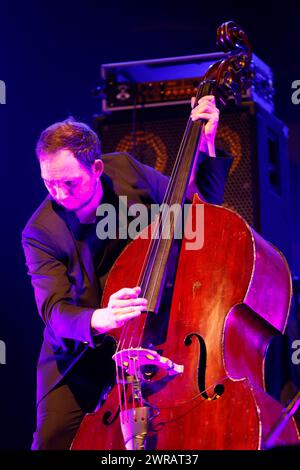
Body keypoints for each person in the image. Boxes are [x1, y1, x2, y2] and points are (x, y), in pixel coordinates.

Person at [22, 95, 233, 450]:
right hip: (80, 356)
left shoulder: (126, 172)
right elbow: (53, 313)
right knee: (51, 441)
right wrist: (101, 317)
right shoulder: (40, 232)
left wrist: (207, 141)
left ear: (97, 169)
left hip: (151, 337)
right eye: (48, 183)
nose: (58, 192)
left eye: (69, 183)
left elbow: (197, 213)